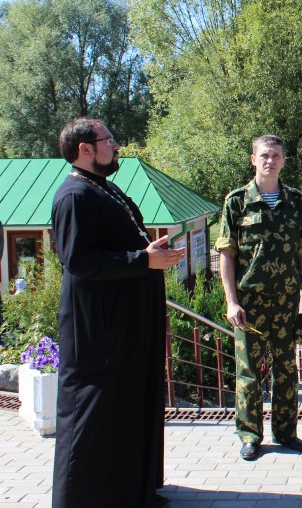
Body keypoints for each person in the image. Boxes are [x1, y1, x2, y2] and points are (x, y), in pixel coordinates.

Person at [51, 118, 184, 507]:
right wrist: (143, 260)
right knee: (93, 411)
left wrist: (149, 253)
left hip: (123, 322)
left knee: (125, 405)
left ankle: (129, 493)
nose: (116, 146)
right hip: (98, 328)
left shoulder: (102, 187)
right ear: (85, 149)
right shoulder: (73, 196)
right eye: (108, 140)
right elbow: (79, 260)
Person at [215, 134, 302, 461]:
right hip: (250, 302)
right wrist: (231, 301)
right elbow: (227, 254)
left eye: (275, 156)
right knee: (248, 371)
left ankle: (286, 432)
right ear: (253, 159)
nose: (270, 161)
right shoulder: (237, 202)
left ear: (284, 161)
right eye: (264, 155)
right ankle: (250, 435)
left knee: (286, 369)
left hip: (286, 299)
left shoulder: (296, 201)